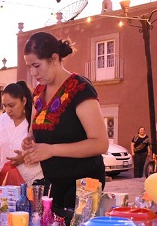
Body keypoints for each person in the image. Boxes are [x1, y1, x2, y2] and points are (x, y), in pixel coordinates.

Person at [21, 31, 109, 211]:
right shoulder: (38, 92)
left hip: (84, 185)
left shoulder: (80, 88)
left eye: (37, 65)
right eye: (29, 67)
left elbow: (100, 144)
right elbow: (35, 129)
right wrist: (30, 140)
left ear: (54, 58)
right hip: (55, 183)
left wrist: (51, 150)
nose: (33, 73)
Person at [0, 81, 44, 189]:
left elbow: (45, 149)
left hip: (33, 183)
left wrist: (25, 158)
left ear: (24, 101)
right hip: (7, 183)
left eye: (11, 105)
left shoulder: (36, 120)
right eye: (5, 106)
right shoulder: (2, 120)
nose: (8, 110)